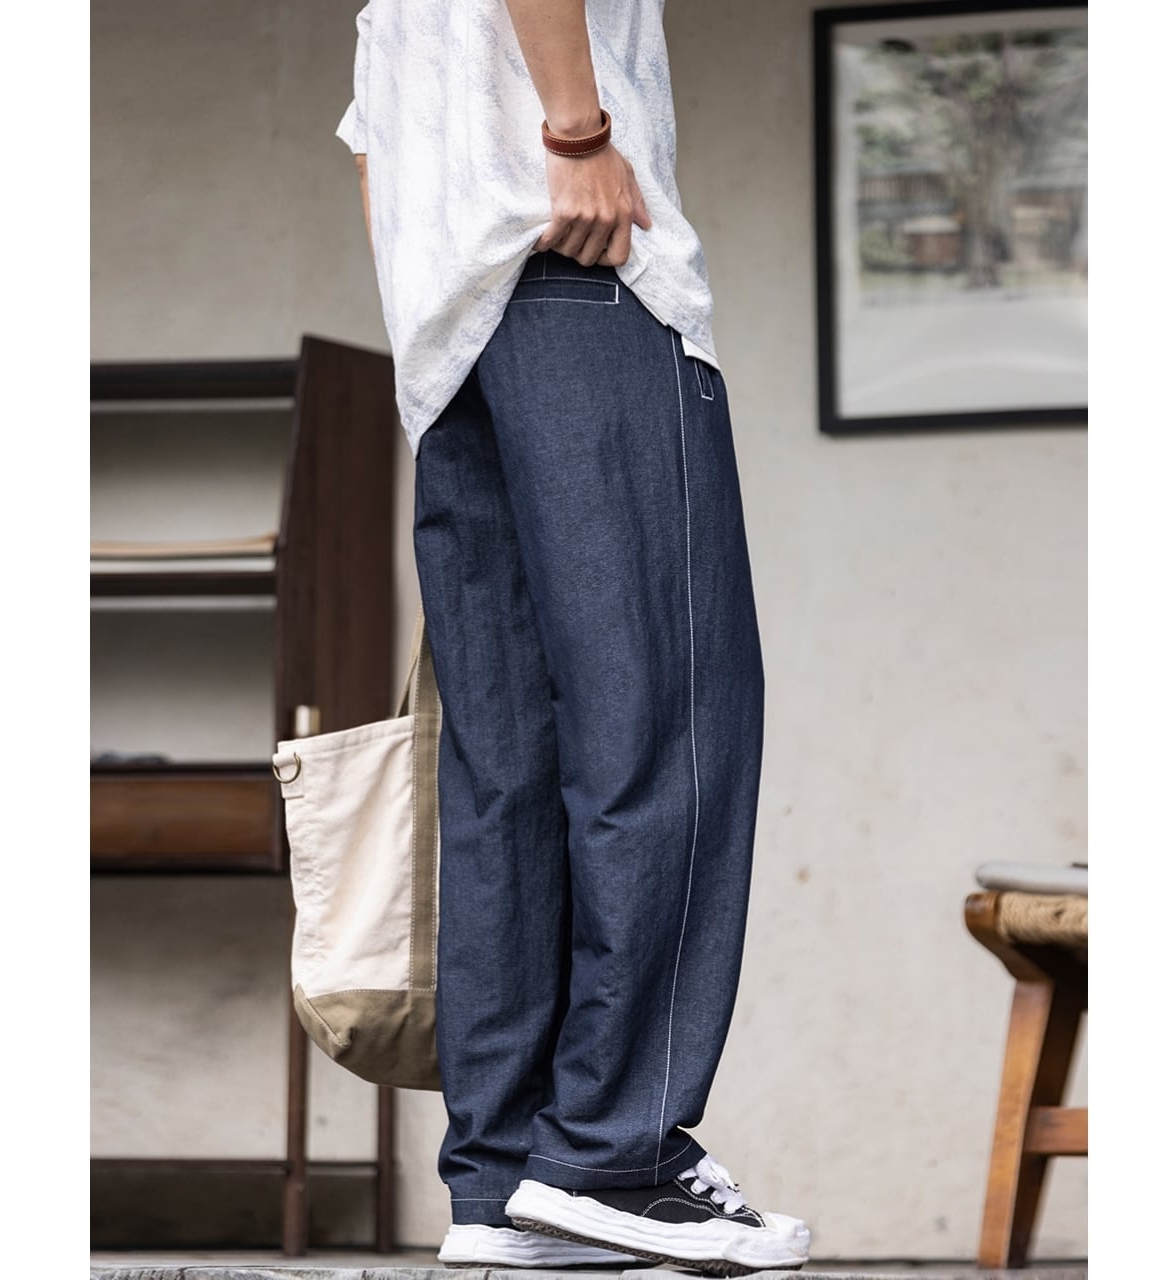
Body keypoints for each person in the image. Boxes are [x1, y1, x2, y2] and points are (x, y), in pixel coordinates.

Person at [336, 1, 810, 1272]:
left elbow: (370, 142)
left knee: (508, 771)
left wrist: (436, 302)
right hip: (577, 271)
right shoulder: (569, 158)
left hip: (446, 344)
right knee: (668, 721)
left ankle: (500, 1180)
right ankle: (615, 1151)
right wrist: (578, 132)